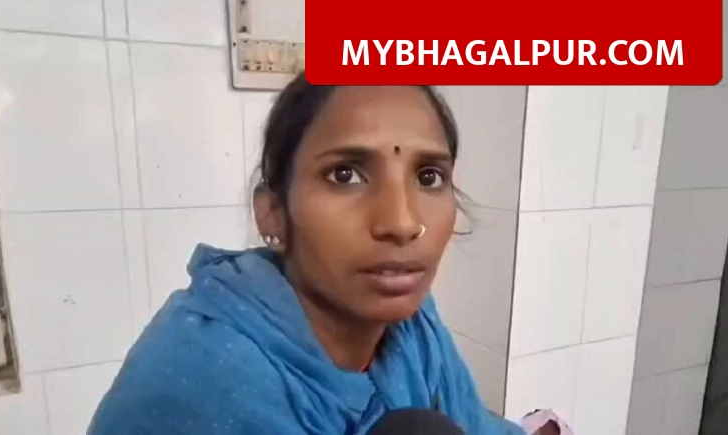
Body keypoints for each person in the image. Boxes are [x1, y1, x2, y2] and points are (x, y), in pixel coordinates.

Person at [87, 73, 525, 435]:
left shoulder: (413, 328)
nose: (403, 221)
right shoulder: (202, 383)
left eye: (428, 177)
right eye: (345, 174)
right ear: (273, 214)